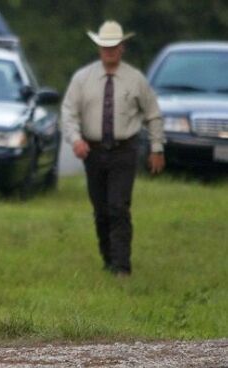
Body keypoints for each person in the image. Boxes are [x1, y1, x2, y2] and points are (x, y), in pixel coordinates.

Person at [61, 20, 166, 277]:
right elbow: (68, 113)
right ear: (98, 48)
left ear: (122, 48)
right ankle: (108, 259)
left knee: (118, 206)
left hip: (123, 150)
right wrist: (76, 139)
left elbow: (153, 114)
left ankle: (122, 266)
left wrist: (156, 148)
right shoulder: (82, 79)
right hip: (93, 151)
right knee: (101, 210)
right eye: (104, 46)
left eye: (114, 46)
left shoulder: (135, 79)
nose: (109, 51)